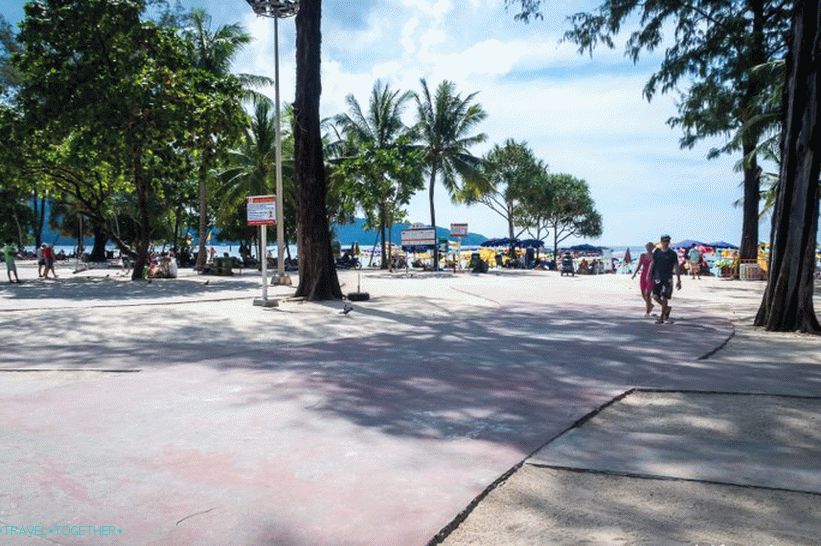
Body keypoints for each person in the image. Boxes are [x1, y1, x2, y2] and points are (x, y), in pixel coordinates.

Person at [649, 234, 682, 324]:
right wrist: (649, 273)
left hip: (668, 279)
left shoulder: (672, 254)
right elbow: (653, 262)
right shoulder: (657, 251)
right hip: (657, 278)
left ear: (669, 242)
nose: (666, 243)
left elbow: (676, 266)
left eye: (667, 241)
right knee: (655, 296)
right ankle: (667, 308)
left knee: (665, 297)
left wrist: (679, 280)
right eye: (664, 241)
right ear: (661, 241)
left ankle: (662, 318)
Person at [632, 242, 656, 316]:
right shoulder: (642, 255)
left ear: (653, 248)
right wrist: (634, 273)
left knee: (647, 294)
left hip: (651, 276)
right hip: (643, 276)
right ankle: (650, 305)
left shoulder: (655, 256)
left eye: (650, 246)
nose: (649, 248)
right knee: (643, 294)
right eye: (647, 246)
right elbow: (639, 265)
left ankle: (647, 311)